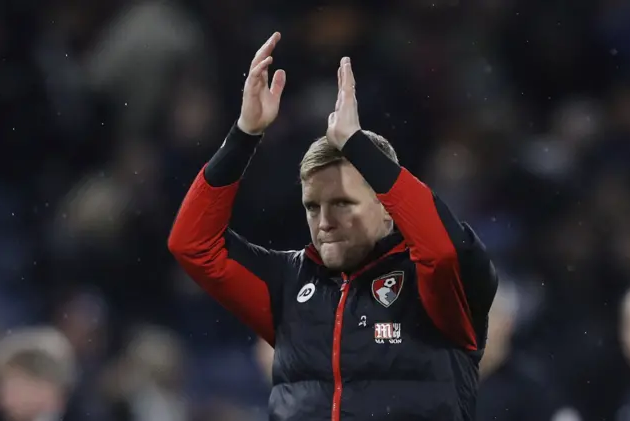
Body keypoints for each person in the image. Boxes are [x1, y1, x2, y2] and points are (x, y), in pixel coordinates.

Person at [168, 32, 499, 421]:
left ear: (388, 208)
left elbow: (443, 252)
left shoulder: (434, 286)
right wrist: (244, 134)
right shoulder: (288, 283)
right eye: (312, 206)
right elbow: (192, 244)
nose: (324, 222)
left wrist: (355, 144)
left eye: (342, 203)